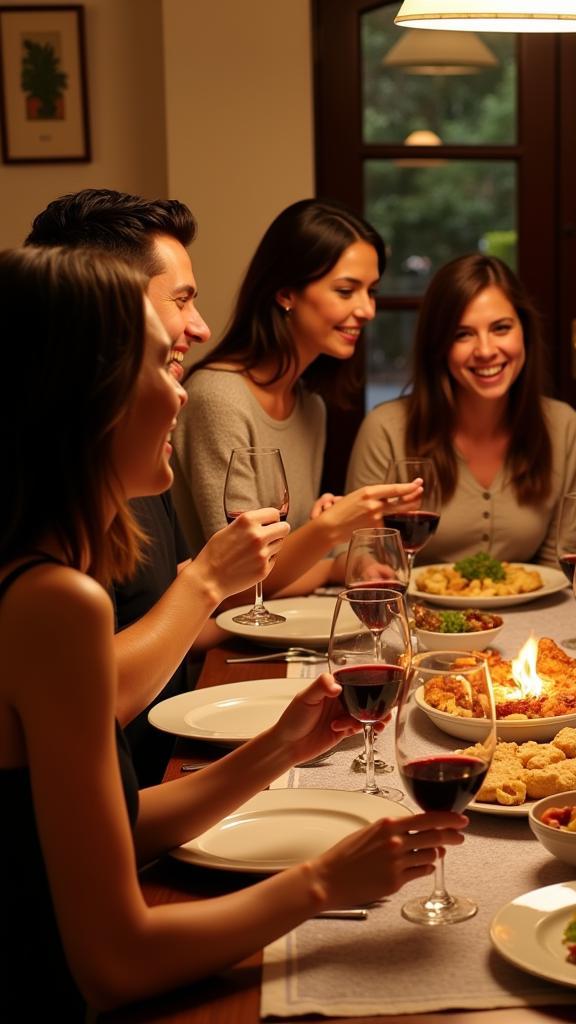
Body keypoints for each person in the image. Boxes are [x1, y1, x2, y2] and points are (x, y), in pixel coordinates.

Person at [0, 245, 467, 1018]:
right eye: (160, 366)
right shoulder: (54, 604)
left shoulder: (39, 580)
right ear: (90, 395)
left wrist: (280, 748)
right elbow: (117, 961)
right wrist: (322, 884)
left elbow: (117, 827)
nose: (180, 394)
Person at [25, 189, 288, 785]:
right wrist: (208, 580)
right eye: (182, 301)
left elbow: (172, 626)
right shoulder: (44, 540)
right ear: (104, 308)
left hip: (169, 762)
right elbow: (93, 702)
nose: (200, 328)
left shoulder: (141, 458)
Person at [172, 198, 422, 594]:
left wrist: (328, 546)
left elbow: (280, 561)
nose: (368, 309)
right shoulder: (218, 398)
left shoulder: (310, 406)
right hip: (216, 647)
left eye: (371, 291)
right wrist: (329, 536)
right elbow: (240, 582)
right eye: (346, 290)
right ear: (287, 292)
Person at [345, 253, 576, 567]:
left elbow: (562, 562)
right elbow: (355, 552)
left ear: (524, 332)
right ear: (439, 345)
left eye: (501, 328)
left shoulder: (563, 426)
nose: (486, 351)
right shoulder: (385, 429)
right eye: (463, 334)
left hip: (533, 614)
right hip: (415, 614)